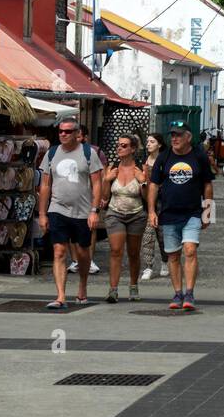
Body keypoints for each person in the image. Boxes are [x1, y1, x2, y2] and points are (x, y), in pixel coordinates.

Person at [147, 120, 213, 312]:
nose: (174, 138)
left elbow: (208, 184)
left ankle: (190, 293)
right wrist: (152, 211)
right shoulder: (164, 157)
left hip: (192, 212)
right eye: (172, 135)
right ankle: (178, 293)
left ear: (188, 137)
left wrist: (208, 212)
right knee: (173, 255)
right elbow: (153, 185)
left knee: (190, 250)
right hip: (168, 213)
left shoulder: (199, 156)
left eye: (178, 135)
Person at [38, 117, 103, 310]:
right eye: (61, 131)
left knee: (83, 254)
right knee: (59, 251)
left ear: (77, 134)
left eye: (68, 131)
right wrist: (42, 213)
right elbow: (45, 184)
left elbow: (97, 183)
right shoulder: (51, 153)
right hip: (57, 209)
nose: (63, 134)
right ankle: (60, 296)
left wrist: (94, 210)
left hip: (82, 211)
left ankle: (82, 286)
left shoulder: (88, 153)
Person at [103, 133, 148, 302]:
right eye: (118, 145)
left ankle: (133, 285)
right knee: (115, 251)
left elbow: (145, 196)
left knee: (133, 253)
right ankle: (113, 290)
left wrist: (143, 181)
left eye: (124, 145)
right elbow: (104, 197)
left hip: (136, 214)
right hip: (115, 213)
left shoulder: (140, 169)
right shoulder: (113, 168)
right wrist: (107, 180)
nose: (119, 148)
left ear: (133, 149)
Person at [67, 126, 103, 276]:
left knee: (90, 228)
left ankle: (89, 259)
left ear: (85, 137)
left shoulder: (94, 152)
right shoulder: (63, 152)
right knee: (70, 229)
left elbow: (100, 177)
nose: (76, 138)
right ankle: (75, 260)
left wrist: (100, 197)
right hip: (68, 197)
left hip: (88, 197)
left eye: (79, 136)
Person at [140, 133, 170, 281]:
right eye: (147, 142)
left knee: (162, 237)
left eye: (152, 142)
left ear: (159, 144)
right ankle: (148, 267)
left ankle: (165, 261)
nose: (148, 144)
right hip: (146, 203)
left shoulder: (165, 160)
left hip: (163, 203)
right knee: (147, 236)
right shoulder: (143, 162)